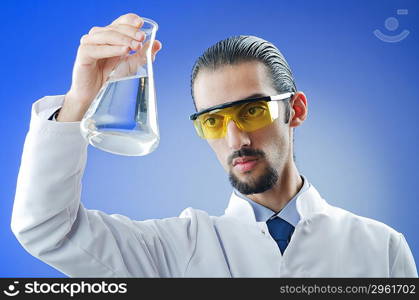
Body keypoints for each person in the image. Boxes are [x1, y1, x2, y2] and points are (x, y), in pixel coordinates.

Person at [11, 13, 417, 277]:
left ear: (295, 110)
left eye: (253, 111)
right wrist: (80, 99)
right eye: (213, 120)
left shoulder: (380, 248)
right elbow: (48, 230)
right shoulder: (173, 251)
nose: (235, 138)